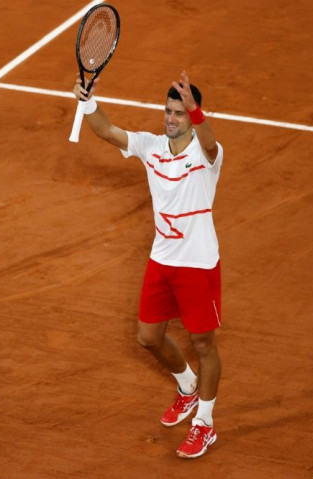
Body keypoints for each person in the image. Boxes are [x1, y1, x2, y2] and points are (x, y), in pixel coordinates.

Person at [72, 71, 224, 459]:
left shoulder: (207, 157)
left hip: (198, 264)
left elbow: (210, 142)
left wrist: (197, 110)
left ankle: (205, 424)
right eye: (168, 111)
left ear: (192, 116)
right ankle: (187, 388)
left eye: (179, 112)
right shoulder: (151, 146)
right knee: (148, 337)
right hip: (161, 260)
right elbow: (107, 131)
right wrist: (88, 101)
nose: (171, 118)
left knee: (203, 343)